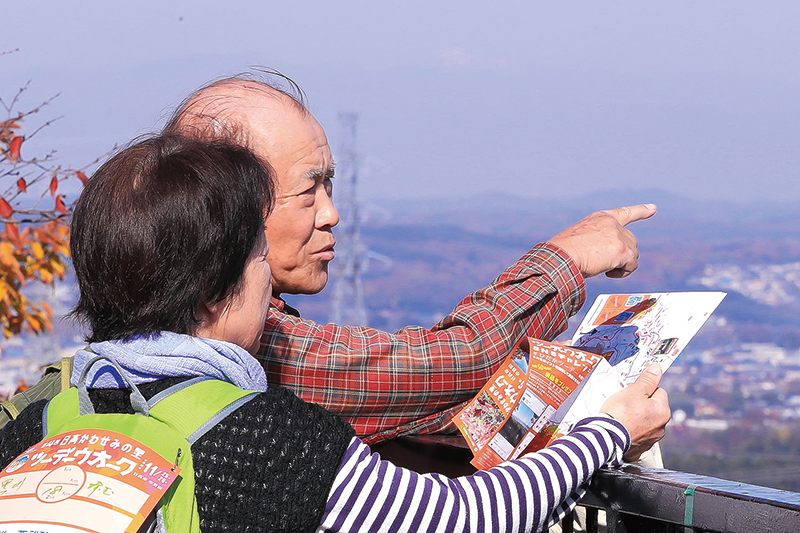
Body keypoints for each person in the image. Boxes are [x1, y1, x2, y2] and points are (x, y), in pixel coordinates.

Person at [0, 135, 670, 532]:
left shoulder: (39, 417)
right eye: (257, 258)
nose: (271, 286)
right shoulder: (266, 436)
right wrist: (606, 432)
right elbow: (467, 516)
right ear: (212, 287)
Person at [160, 74, 658, 444]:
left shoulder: (148, 331)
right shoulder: (244, 345)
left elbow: (415, 401)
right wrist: (565, 259)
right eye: (309, 189)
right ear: (225, 206)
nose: (332, 213)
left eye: (328, 184)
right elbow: (462, 363)